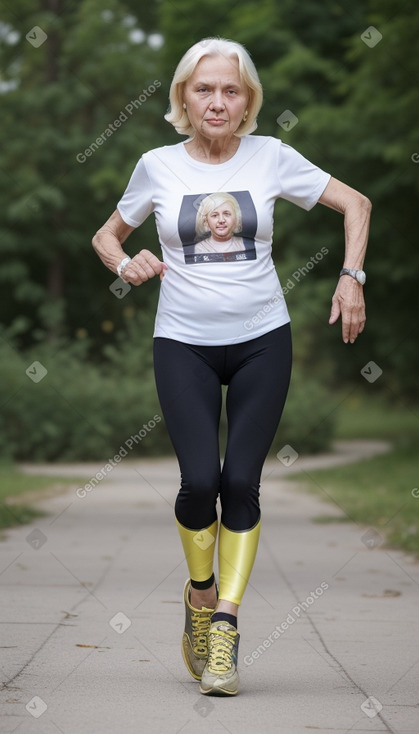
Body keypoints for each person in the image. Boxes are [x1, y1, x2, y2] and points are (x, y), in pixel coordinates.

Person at [92, 37, 371, 696]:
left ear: (247, 101)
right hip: (181, 342)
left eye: (231, 90)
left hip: (261, 342)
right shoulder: (156, 165)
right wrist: (121, 264)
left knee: (239, 481)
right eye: (204, 89)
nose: (217, 101)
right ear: (183, 98)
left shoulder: (271, 156)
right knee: (197, 482)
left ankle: (224, 630)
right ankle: (198, 592)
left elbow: (355, 203)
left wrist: (351, 276)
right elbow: (107, 234)